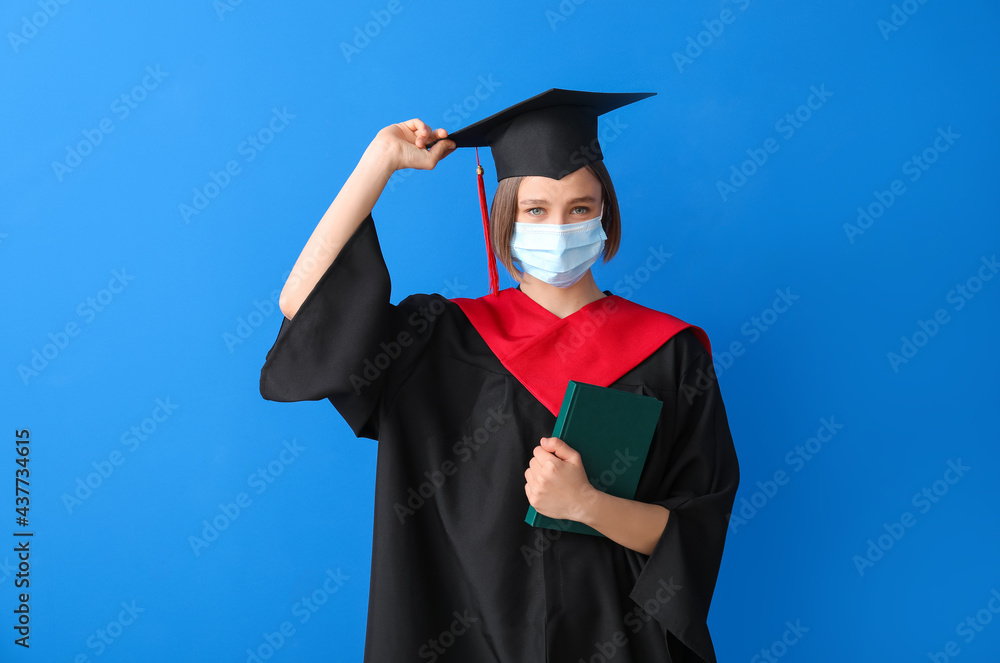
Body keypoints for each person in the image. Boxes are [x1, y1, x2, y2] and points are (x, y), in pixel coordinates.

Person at [259, 88, 740, 663]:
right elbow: (304, 307)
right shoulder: (437, 340)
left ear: (605, 214)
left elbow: (693, 534)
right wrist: (377, 165)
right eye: (537, 210)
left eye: (580, 209)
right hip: (463, 641)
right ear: (505, 217)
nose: (559, 228)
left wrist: (587, 504)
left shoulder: (670, 353)